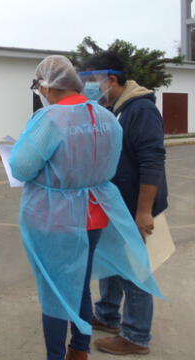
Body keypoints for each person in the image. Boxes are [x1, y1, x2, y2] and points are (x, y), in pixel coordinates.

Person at [9, 55, 163, 360]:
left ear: (46, 85)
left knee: (54, 289)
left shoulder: (49, 119)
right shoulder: (106, 117)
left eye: (37, 85)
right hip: (94, 214)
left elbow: (22, 166)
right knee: (78, 280)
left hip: (54, 219)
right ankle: (79, 349)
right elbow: (111, 162)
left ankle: (56, 354)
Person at [79, 52, 168, 355]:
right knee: (111, 261)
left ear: (111, 79)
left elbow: (152, 159)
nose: (88, 87)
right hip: (115, 203)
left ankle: (136, 335)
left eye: (91, 81)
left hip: (134, 206)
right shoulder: (113, 108)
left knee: (133, 270)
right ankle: (106, 315)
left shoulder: (140, 109)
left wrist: (144, 211)